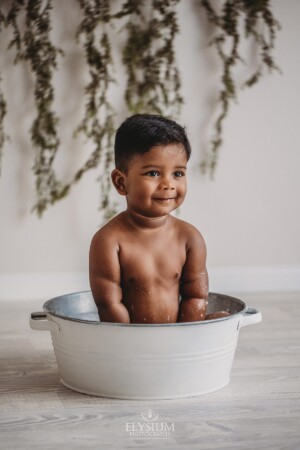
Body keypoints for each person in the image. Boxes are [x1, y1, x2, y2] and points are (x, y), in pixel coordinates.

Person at [89, 113, 209, 324]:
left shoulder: (189, 238)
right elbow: (108, 304)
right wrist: (131, 345)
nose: (168, 184)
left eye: (178, 174)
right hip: (130, 343)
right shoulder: (109, 241)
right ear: (121, 182)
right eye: (153, 173)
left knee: (223, 319)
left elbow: (196, 296)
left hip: (177, 337)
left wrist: (186, 337)